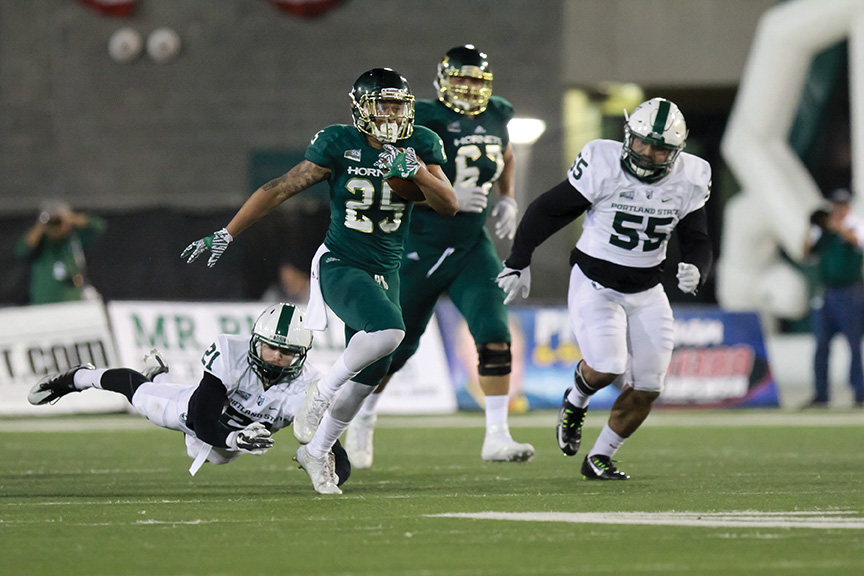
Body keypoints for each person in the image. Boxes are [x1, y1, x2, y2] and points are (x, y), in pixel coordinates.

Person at [181, 68, 458, 494]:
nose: (391, 113)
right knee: (389, 332)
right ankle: (323, 390)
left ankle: (317, 451)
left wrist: (417, 172)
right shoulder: (338, 142)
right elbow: (279, 188)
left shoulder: (420, 142)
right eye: (382, 104)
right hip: (341, 261)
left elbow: (448, 205)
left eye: (398, 104)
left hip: (387, 270)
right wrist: (227, 232)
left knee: (372, 372)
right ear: (361, 108)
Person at [497, 97, 713, 480]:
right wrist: (519, 260)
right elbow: (550, 209)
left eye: (659, 148)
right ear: (628, 135)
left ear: (676, 152)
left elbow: (698, 238)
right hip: (595, 282)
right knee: (608, 366)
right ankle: (576, 399)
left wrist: (698, 267)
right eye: (641, 142)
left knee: (648, 386)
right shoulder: (602, 162)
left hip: (647, 289)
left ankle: (600, 457)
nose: (646, 153)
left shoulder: (691, 176)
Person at [344, 45, 534, 469]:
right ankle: (362, 419)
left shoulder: (499, 113)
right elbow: (393, 176)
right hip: (421, 244)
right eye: (460, 78)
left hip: (471, 245)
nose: (468, 87)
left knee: (494, 334)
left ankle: (497, 436)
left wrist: (508, 197)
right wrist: (439, 194)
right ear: (443, 81)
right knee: (396, 346)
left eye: (475, 79)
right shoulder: (423, 119)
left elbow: (504, 152)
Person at [27, 303, 351, 484]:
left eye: (287, 352)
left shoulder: (305, 387)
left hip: (226, 442)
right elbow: (202, 420)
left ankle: (160, 377)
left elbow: (337, 456)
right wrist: (237, 437)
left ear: (302, 355)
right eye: (270, 348)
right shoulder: (231, 354)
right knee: (142, 397)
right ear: (255, 342)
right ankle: (77, 377)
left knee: (220, 457)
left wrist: (333, 470)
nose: (277, 357)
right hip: (199, 417)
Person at [803, 187, 864, 408]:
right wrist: (812, 228)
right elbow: (807, 254)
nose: (838, 210)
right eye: (835, 206)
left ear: (848, 207)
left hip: (850, 292)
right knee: (821, 345)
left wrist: (836, 227)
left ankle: (859, 394)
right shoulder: (824, 231)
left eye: (842, 205)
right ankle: (821, 395)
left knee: (854, 345)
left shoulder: (855, 224)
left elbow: (857, 241)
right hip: (827, 292)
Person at [14, 200, 106, 304]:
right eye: (52, 223)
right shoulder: (41, 242)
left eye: (58, 222)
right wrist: (42, 223)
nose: (55, 227)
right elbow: (22, 250)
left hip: (72, 301)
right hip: (43, 303)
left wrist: (70, 217)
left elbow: (98, 226)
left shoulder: (74, 239)